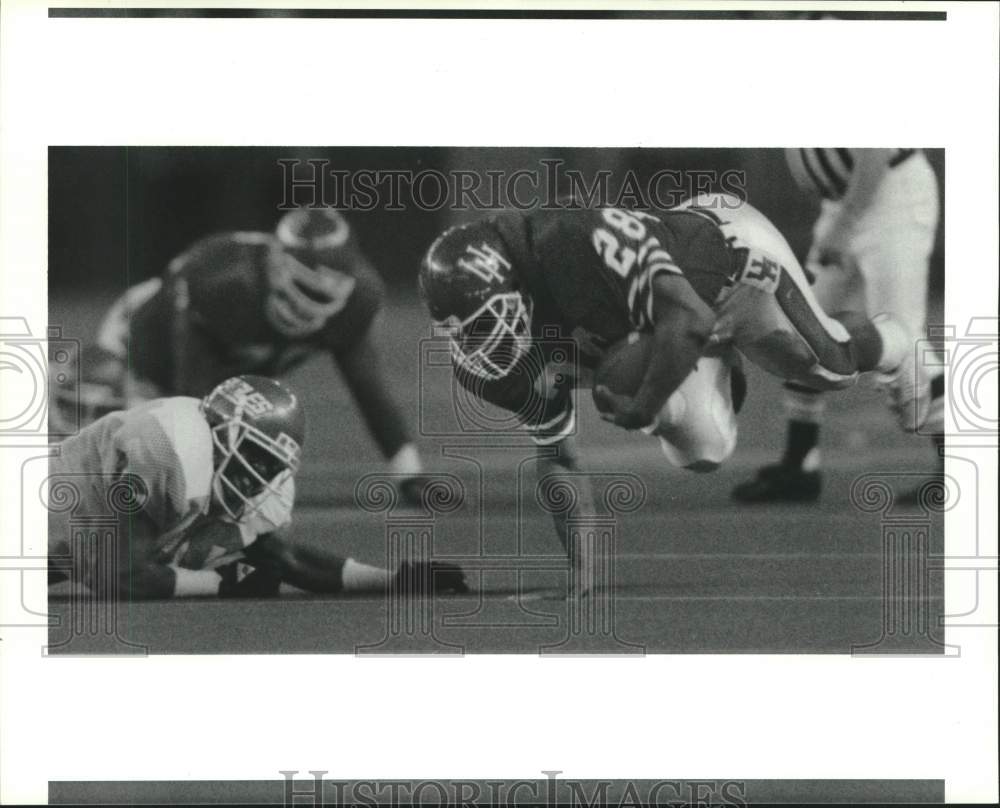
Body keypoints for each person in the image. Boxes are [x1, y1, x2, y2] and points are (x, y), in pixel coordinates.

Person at [418, 195, 930, 591]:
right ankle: (708, 359)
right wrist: (583, 571)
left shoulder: (570, 244)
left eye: (489, 324)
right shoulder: (490, 367)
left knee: (829, 367)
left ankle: (896, 341)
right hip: (667, 318)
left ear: (515, 286)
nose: (487, 346)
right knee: (704, 448)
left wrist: (641, 408)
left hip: (731, 266)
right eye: (468, 334)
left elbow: (691, 315)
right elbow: (557, 456)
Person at [50, 207, 429, 506]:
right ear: (275, 266)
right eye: (300, 285)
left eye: (322, 294)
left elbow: (367, 385)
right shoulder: (224, 282)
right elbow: (190, 387)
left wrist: (408, 471)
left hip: (222, 373)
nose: (305, 307)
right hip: (140, 344)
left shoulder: (357, 302)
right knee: (97, 423)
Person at [47, 374, 467, 600]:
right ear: (222, 433)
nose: (261, 476)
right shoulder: (165, 448)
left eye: (273, 465)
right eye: (258, 457)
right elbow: (119, 577)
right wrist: (223, 585)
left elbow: (284, 559)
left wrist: (391, 581)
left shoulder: (215, 467)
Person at [732, 149, 943, 503]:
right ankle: (801, 465)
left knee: (901, 338)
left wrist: (843, 224)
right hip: (846, 202)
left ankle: (962, 467)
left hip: (887, 195)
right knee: (803, 327)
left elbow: (873, 152)